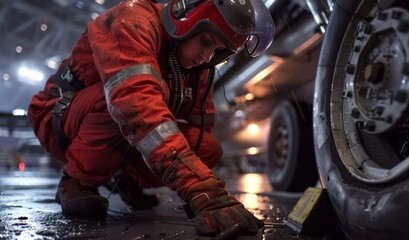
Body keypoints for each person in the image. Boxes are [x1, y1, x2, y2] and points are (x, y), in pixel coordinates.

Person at [28, 0, 274, 237]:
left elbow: (201, 127)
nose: (207, 57)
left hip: (118, 127)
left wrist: (200, 176)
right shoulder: (134, 20)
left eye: (218, 51)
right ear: (185, 16)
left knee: (208, 149)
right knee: (124, 100)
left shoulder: (198, 70)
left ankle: (125, 177)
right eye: (206, 41)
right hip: (58, 117)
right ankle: (77, 181)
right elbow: (134, 106)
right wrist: (201, 189)